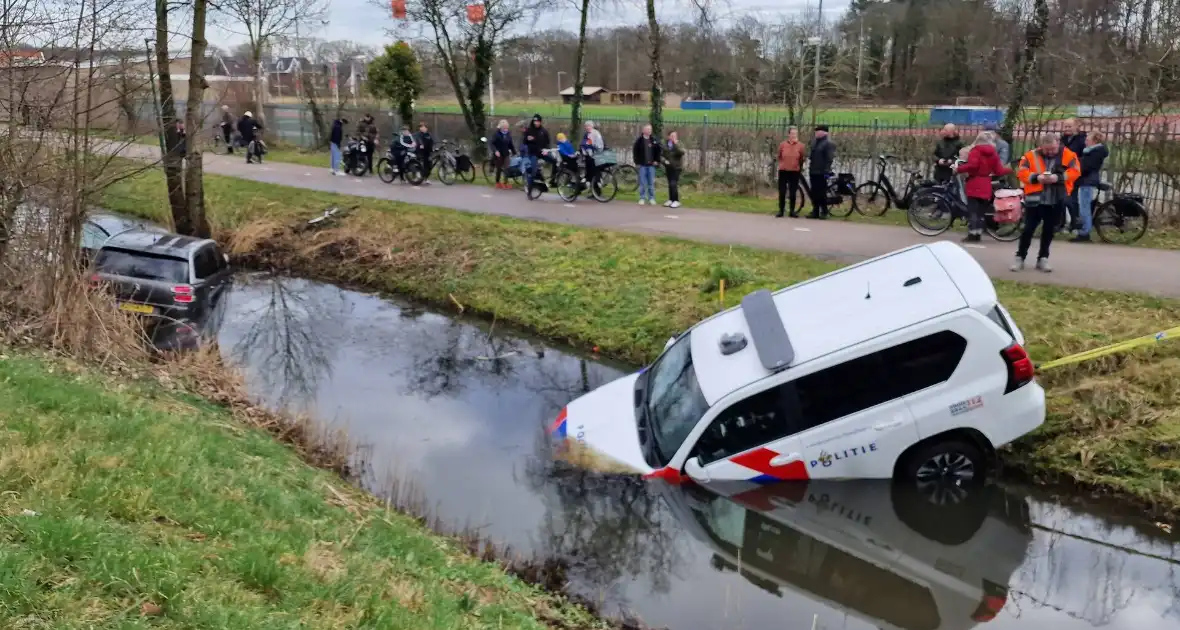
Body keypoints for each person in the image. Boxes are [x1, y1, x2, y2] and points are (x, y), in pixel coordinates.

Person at [1012, 133, 1080, 273]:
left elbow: (1075, 171)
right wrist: (1037, 178)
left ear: (1058, 144)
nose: (1050, 152)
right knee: (1028, 229)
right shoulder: (1030, 156)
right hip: (1035, 199)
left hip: (1056, 198)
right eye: (1047, 149)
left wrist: (1058, 177)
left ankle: (1043, 258)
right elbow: (1021, 172)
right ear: (1041, 146)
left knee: (1049, 230)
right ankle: (1020, 257)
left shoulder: (1069, 155)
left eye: (1053, 149)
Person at [956, 132, 1012, 242]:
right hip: (986, 184)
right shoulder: (993, 153)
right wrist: (1010, 170)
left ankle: (972, 234)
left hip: (974, 183)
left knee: (973, 211)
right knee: (981, 212)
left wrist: (958, 169)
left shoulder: (975, 151)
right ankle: (978, 234)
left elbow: (972, 166)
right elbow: (999, 170)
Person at [1072, 130, 1108, 243]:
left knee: (1085, 208)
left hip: (1087, 181)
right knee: (1085, 206)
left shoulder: (1095, 152)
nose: (1085, 142)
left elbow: (1086, 167)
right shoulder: (1092, 151)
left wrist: (1077, 169)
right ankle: (1084, 231)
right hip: (1087, 181)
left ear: (1094, 141)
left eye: (1088, 140)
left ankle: (1084, 233)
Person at [1060, 118, 1087, 231]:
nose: (1067, 129)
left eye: (1069, 126)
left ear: (1076, 127)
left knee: (1072, 198)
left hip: (1074, 173)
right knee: (1061, 198)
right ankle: (1061, 223)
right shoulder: (1063, 139)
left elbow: (1083, 157)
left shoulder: (1081, 140)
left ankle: (1075, 222)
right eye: (1065, 126)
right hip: (1062, 172)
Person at [775, 126, 806, 217]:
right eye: (792, 133)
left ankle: (792, 211)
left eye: (795, 133)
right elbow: (779, 156)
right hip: (783, 171)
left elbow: (802, 158)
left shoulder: (801, 146)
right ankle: (781, 210)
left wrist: (799, 167)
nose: (794, 135)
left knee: (793, 192)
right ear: (788, 134)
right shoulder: (782, 145)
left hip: (794, 171)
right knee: (782, 191)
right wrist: (782, 164)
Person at [806, 125, 836, 219]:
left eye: (818, 131)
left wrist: (826, 171)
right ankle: (815, 211)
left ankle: (824, 211)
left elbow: (829, 158)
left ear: (824, 132)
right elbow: (812, 156)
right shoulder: (815, 143)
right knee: (814, 192)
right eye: (816, 131)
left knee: (821, 193)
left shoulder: (828, 144)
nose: (816, 133)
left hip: (822, 172)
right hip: (813, 171)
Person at [632, 124, 661, 205]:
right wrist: (637, 163)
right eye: (647, 129)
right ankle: (642, 198)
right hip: (642, 165)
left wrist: (657, 161)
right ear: (643, 130)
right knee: (642, 183)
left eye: (650, 129)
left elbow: (658, 151)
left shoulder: (654, 140)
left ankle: (651, 198)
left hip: (651, 166)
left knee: (651, 183)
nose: (649, 131)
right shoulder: (639, 141)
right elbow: (635, 152)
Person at [522, 114, 550, 192]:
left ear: (540, 122)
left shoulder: (544, 131)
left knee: (554, 160)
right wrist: (527, 139)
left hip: (542, 152)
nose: (536, 123)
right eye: (535, 121)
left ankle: (552, 181)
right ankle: (529, 189)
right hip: (533, 153)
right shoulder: (529, 130)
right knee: (533, 171)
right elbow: (524, 141)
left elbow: (547, 142)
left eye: (538, 121)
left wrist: (547, 150)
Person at [663, 131, 685, 209]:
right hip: (668, 167)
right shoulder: (666, 145)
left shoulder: (679, 144)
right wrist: (664, 161)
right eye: (672, 136)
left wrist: (675, 144)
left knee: (673, 183)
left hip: (677, 167)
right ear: (669, 137)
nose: (673, 137)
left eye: (675, 136)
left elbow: (682, 152)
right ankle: (671, 200)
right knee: (670, 184)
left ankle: (676, 200)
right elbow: (661, 155)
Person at [580, 120, 605, 189]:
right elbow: (583, 143)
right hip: (589, 154)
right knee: (588, 164)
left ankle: (597, 181)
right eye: (586, 126)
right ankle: (588, 180)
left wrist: (592, 145)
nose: (587, 127)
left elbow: (599, 145)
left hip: (596, 153)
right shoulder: (586, 134)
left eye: (588, 126)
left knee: (594, 166)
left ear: (592, 126)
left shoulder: (596, 133)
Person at [491, 119, 515, 189]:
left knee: (507, 168)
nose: (506, 129)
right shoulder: (496, 134)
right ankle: (497, 182)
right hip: (499, 153)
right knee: (499, 168)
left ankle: (505, 183)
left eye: (507, 128)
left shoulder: (508, 134)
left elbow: (510, 144)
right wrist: (495, 151)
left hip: (506, 153)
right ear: (501, 127)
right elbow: (492, 143)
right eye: (504, 128)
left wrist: (514, 152)